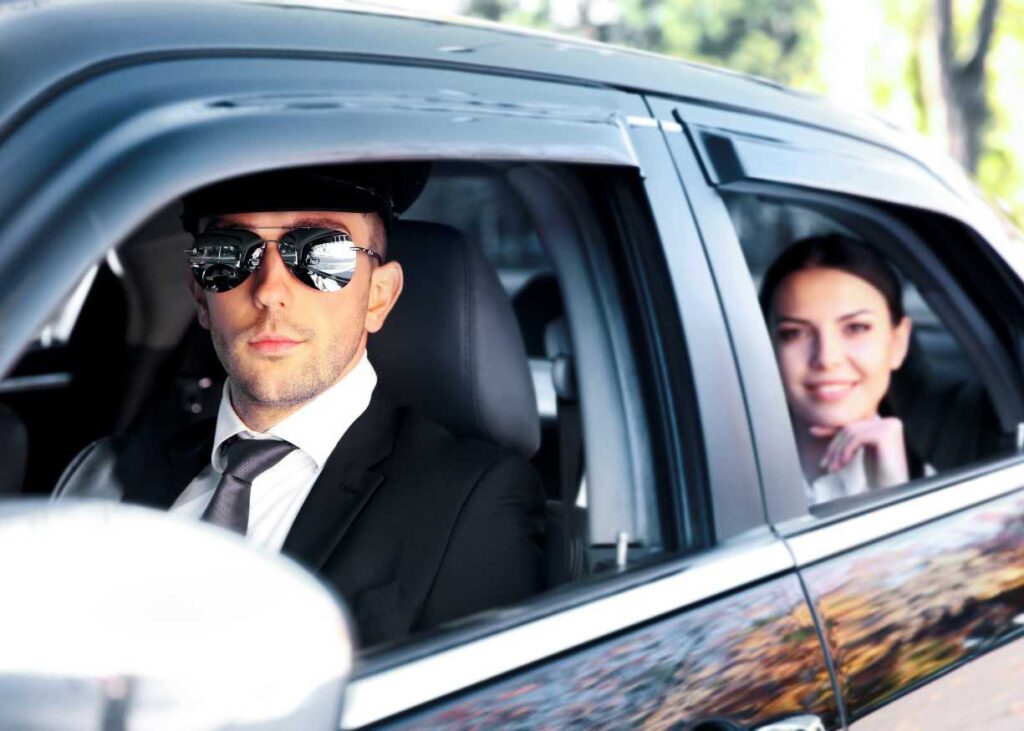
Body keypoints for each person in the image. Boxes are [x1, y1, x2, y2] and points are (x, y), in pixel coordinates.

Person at [54, 164, 546, 646]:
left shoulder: (469, 502)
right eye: (230, 253)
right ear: (201, 297)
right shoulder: (107, 477)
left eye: (320, 254)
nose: (269, 291)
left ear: (379, 297)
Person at [759, 234, 914, 505]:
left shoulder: (940, 487)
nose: (826, 358)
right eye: (794, 333)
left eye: (856, 328)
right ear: (767, 346)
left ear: (898, 343)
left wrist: (894, 493)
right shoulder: (709, 468)